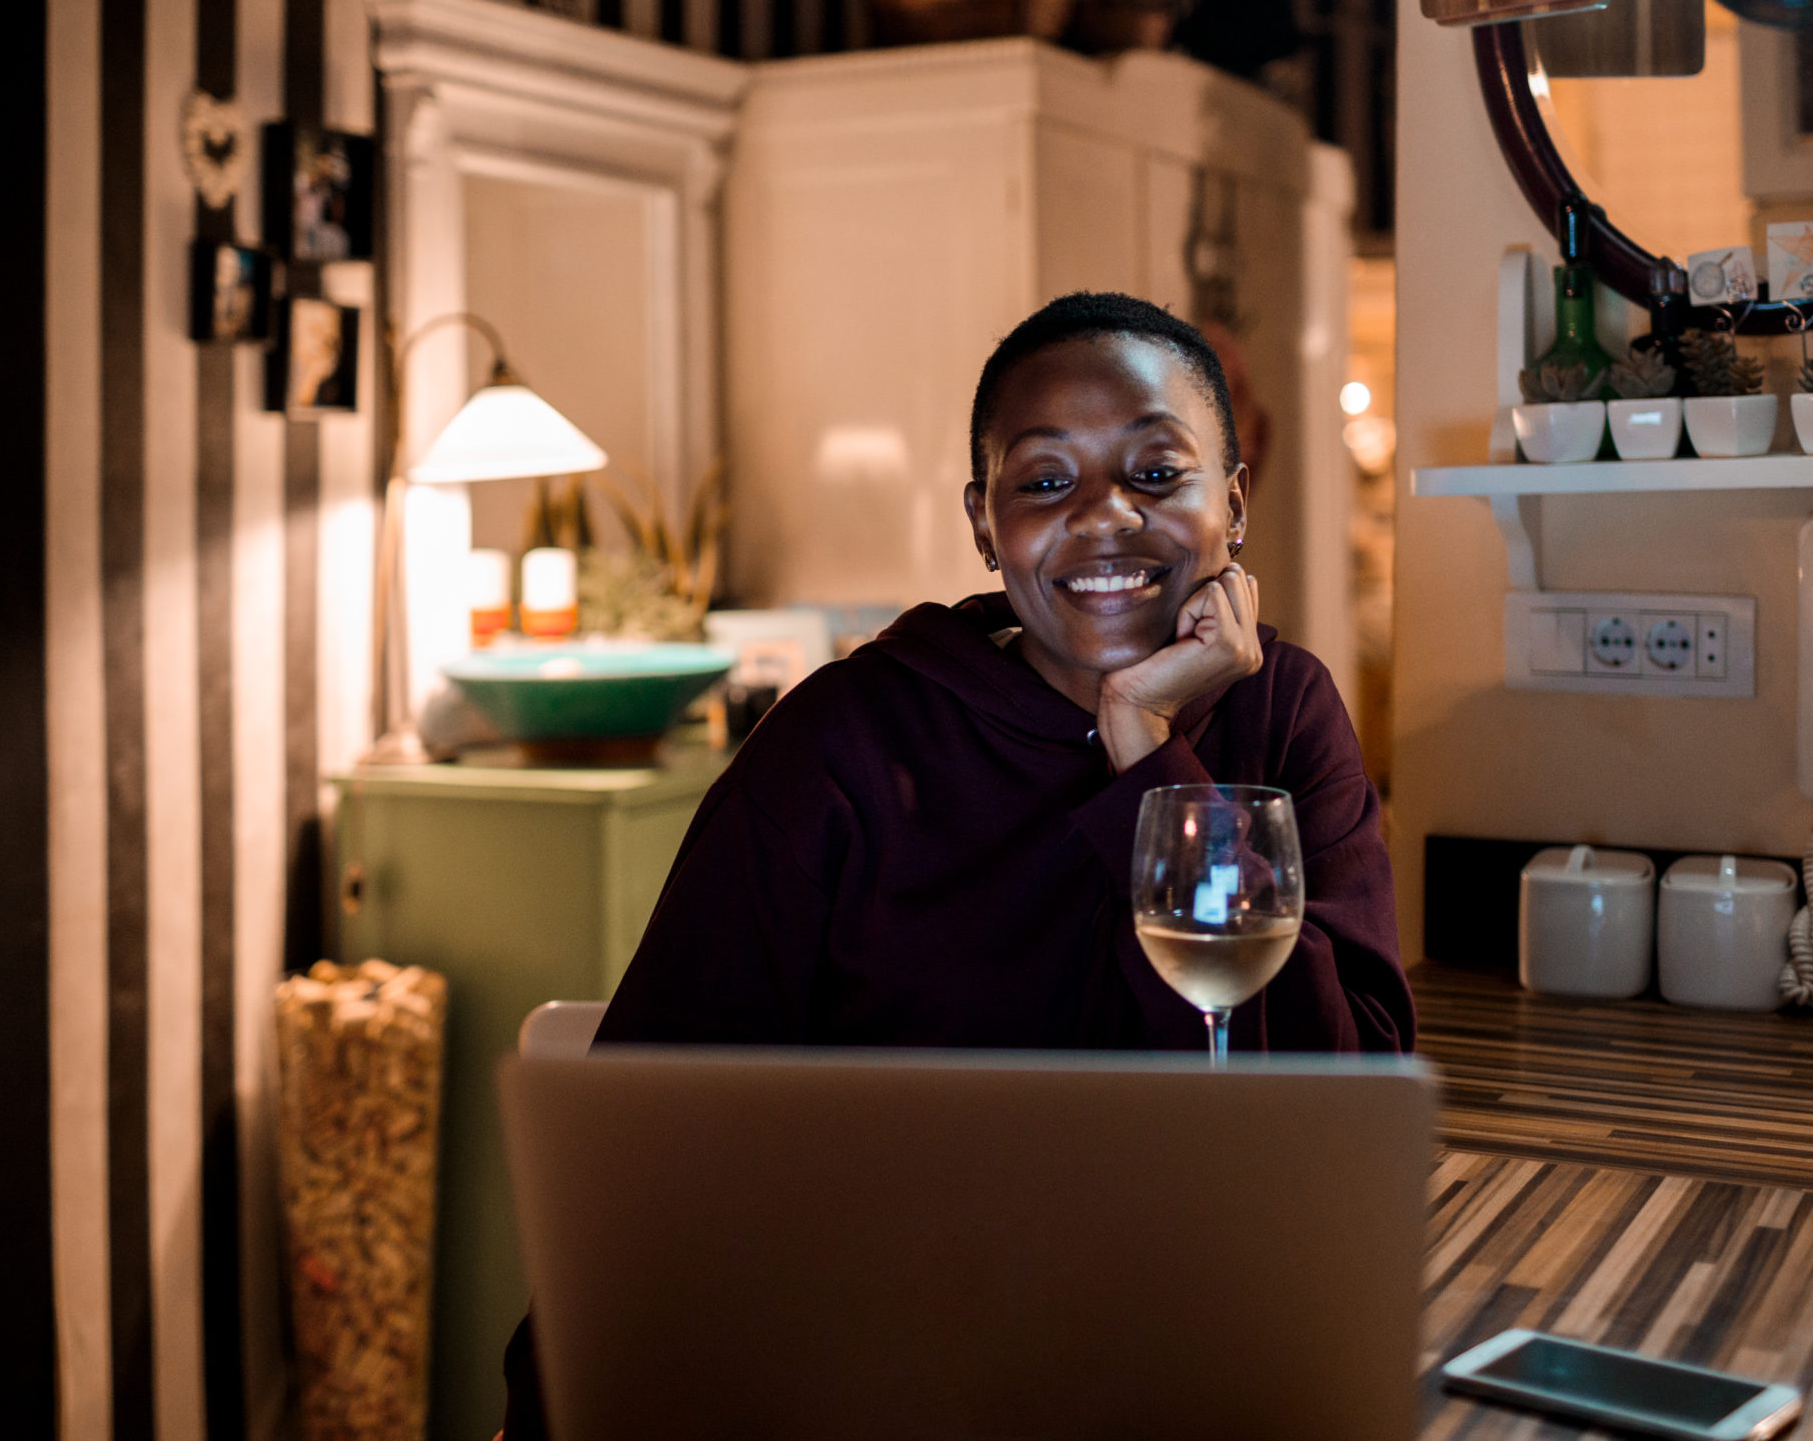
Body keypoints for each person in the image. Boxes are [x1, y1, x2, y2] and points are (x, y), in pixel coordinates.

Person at [502, 292, 1411, 1436]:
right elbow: (651, 1126)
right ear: (984, 525)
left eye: (1155, 472)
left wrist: (1150, 757)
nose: (1101, 518)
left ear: (1231, 504)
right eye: (1042, 484)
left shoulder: (1283, 711)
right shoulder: (840, 744)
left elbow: (1335, 1116)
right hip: (880, 1364)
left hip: (1202, 1351)